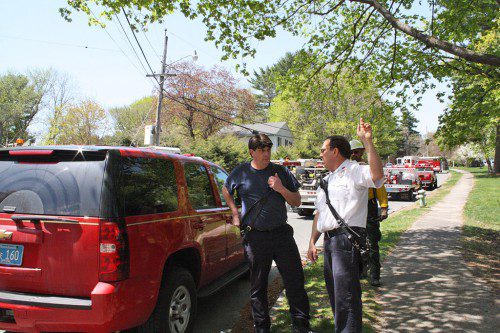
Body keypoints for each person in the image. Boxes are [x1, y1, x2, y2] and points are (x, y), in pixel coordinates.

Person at [222, 133, 312, 333]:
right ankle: (262, 328)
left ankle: (301, 326)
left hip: (282, 235)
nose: (266, 154)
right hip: (256, 238)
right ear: (251, 152)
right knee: (258, 287)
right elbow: (226, 189)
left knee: (295, 281)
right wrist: (235, 213)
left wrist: (280, 189)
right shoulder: (241, 172)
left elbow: (296, 201)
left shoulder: (280, 172)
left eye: (268, 149)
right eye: (262, 150)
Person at [307, 118, 384, 333]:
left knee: (347, 300)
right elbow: (320, 214)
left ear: (335, 151)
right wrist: (312, 242)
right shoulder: (326, 181)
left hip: (347, 241)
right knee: (336, 299)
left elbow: (377, 176)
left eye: (323, 150)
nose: (320, 154)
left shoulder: (354, 170)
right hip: (329, 243)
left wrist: (367, 142)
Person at [350, 139, 389, 287]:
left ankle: (375, 275)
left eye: (357, 151)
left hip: (369, 207)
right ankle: (360, 271)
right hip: (353, 208)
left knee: (372, 243)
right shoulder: (346, 169)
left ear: (362, 152)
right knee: (354, 242)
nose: (354, 154)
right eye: (351, 152)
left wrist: (384, 207)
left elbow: (380, 188)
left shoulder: (369, 169)